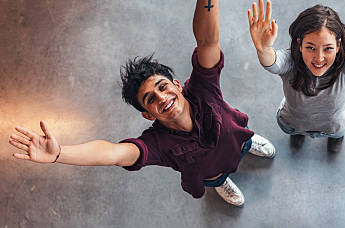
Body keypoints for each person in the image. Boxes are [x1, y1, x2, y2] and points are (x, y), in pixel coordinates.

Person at [8, 0, 275, 207]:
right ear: (148, 115)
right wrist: (59, 154)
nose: (162, 98)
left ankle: (249, 144)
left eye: (163, 86)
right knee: (214, 178)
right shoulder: (156, 145)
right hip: (209, 172)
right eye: (150, 100)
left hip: (237, 139)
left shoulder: (203, 87)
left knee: (244, 142)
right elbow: (113, 154)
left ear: (177, 85)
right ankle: (221, 182)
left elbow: (207, 40)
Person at [248, 0, 345, 152]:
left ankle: (334, 138)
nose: (319, 58)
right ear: (300, 44)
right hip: (293, 122)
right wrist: (263, 49)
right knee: (296, 131)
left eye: (328, 49)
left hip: (334, 126)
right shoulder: (290, 61)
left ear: (338, 46)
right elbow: (272, 63)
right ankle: (298, 134)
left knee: (336, 135)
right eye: (310, 47)